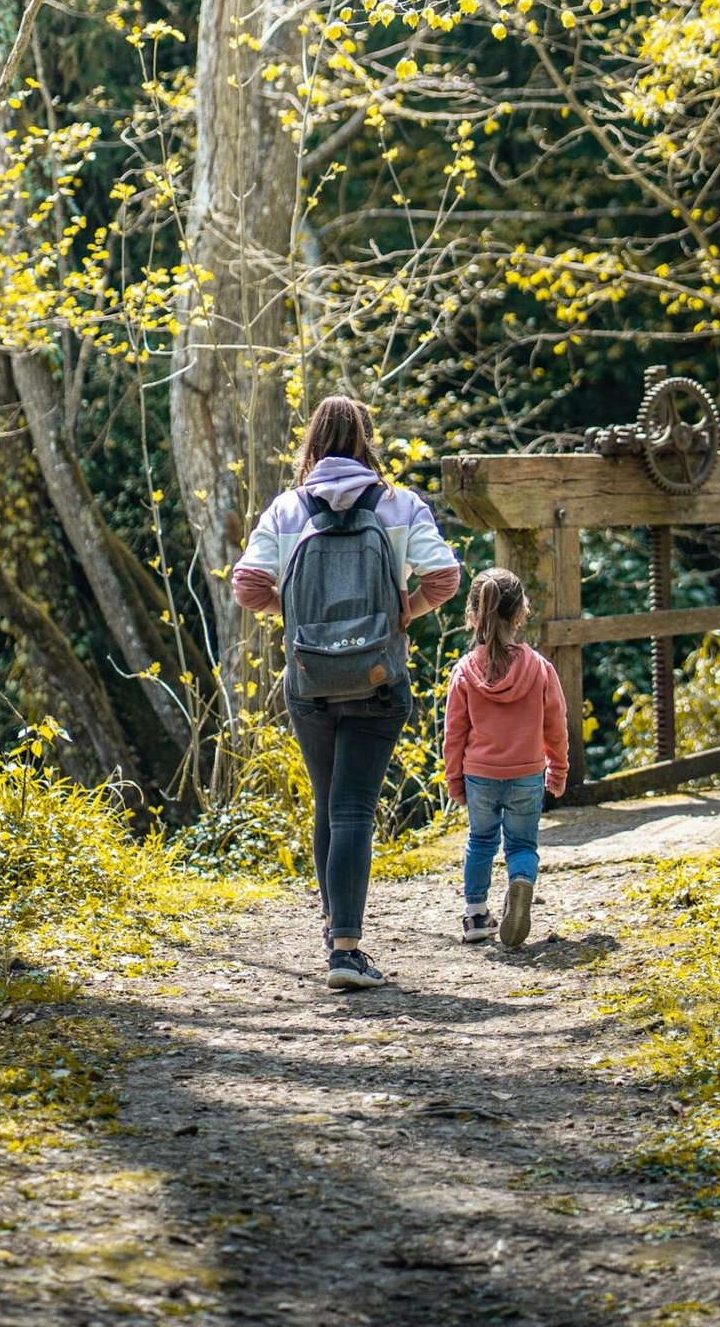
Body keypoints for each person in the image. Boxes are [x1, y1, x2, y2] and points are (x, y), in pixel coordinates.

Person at [234, 395, 460, 991]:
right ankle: (346, 949)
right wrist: (401, 614)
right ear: (367, 440)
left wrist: (297, 620)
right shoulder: (398, 504)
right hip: (379, 677)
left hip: (309, 681)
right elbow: (446, 577)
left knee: (327, 800)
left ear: (312, 442)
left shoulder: (287, 508)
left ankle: (336, 927)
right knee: (354, 805)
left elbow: (246, 584)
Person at [443, 566, 568, 950]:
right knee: (522, 846)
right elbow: (556, 725)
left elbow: (454, 733)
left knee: (480, 841)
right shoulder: (540, 669)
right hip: (527, 773)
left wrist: (454, 780)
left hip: (480, 775)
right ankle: (521, 882)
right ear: (520, 615)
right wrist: (558, 771)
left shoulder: (465, 672)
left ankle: (477, 916)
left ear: (472, 616)